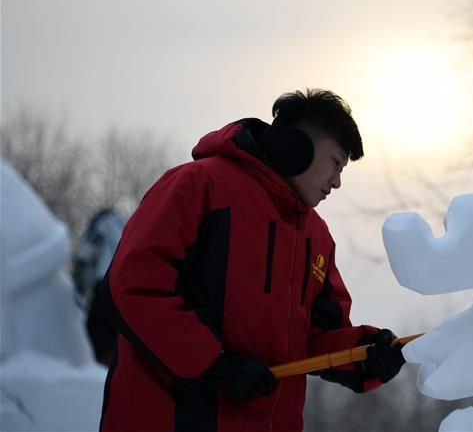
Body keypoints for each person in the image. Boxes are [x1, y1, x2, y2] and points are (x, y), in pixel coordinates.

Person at [97, 89, 406, 432]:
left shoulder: (316, 238)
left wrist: (364, 355)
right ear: (296, 146)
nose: (336, 182)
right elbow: (134, 287)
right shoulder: (199, 186)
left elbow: (320, 336)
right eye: (336, 163)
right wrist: (213, 365)